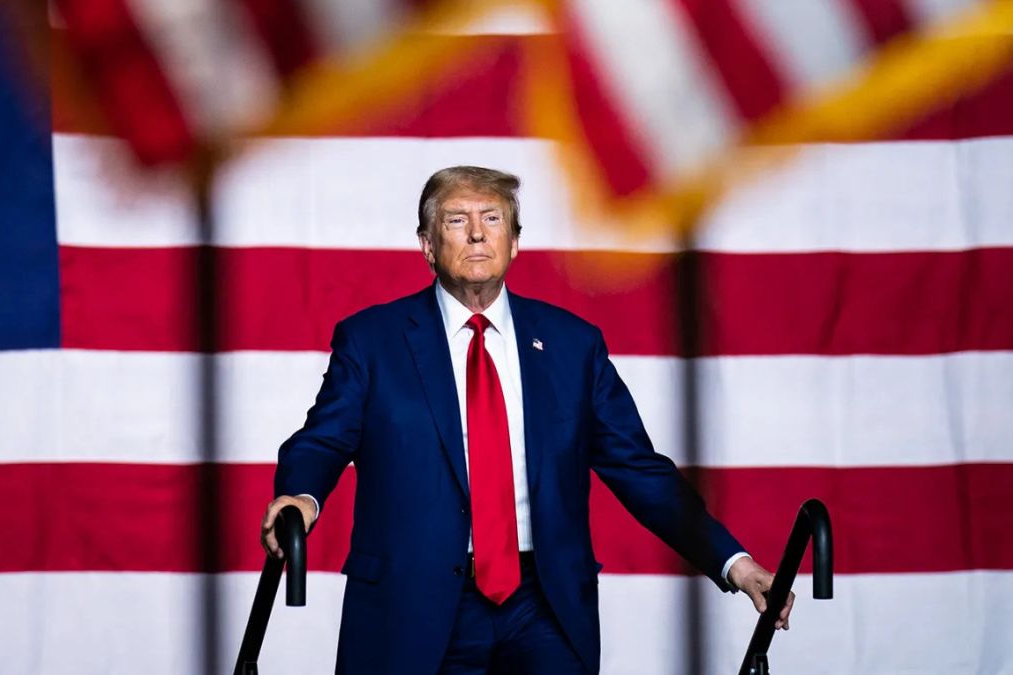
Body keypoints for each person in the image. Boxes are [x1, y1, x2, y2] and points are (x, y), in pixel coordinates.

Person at [261, 166, 793, 674]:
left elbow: (639, 470)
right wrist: (301, 497)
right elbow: (322, 441)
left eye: (492, 218)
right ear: (426, 244)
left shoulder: (572, 345)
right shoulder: (371, 340)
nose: (476, 235)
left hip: (545, 605)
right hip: (413, 605)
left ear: (515, 242)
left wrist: (736, 564)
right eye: (456, 220)